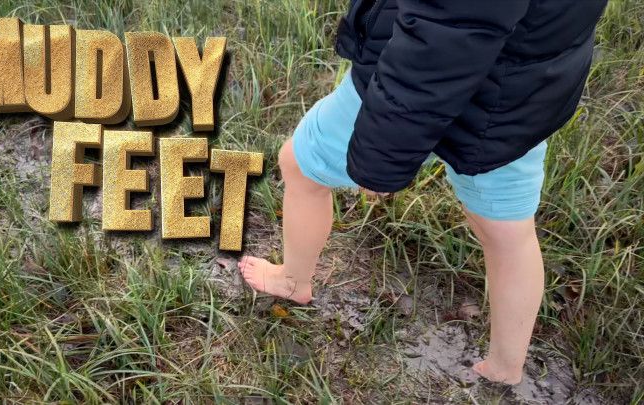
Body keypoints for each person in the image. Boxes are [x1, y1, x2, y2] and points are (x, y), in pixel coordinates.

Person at [238, 0, 608, 384]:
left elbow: (445, 37)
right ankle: (505, 368)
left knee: (301, 166)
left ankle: (293, 281)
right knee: (509, 233)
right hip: (521, 93)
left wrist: (379, 160)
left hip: (409, 78)